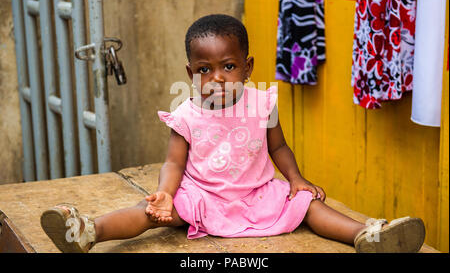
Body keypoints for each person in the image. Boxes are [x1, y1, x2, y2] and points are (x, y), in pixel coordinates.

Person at [40, 14, 425, 253]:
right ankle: (89, 229)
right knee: (151, 215)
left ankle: (368, 236)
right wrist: (166, 195)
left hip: (258, 193)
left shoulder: (261, 104)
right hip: (202, 196)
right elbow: (174, 163)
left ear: (246, 67)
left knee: (308, 205)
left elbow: (279, 147)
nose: (217, 77)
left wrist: (295, 179)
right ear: (191, 74)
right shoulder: (186, 115)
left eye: (228, 65)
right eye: (204, 69)